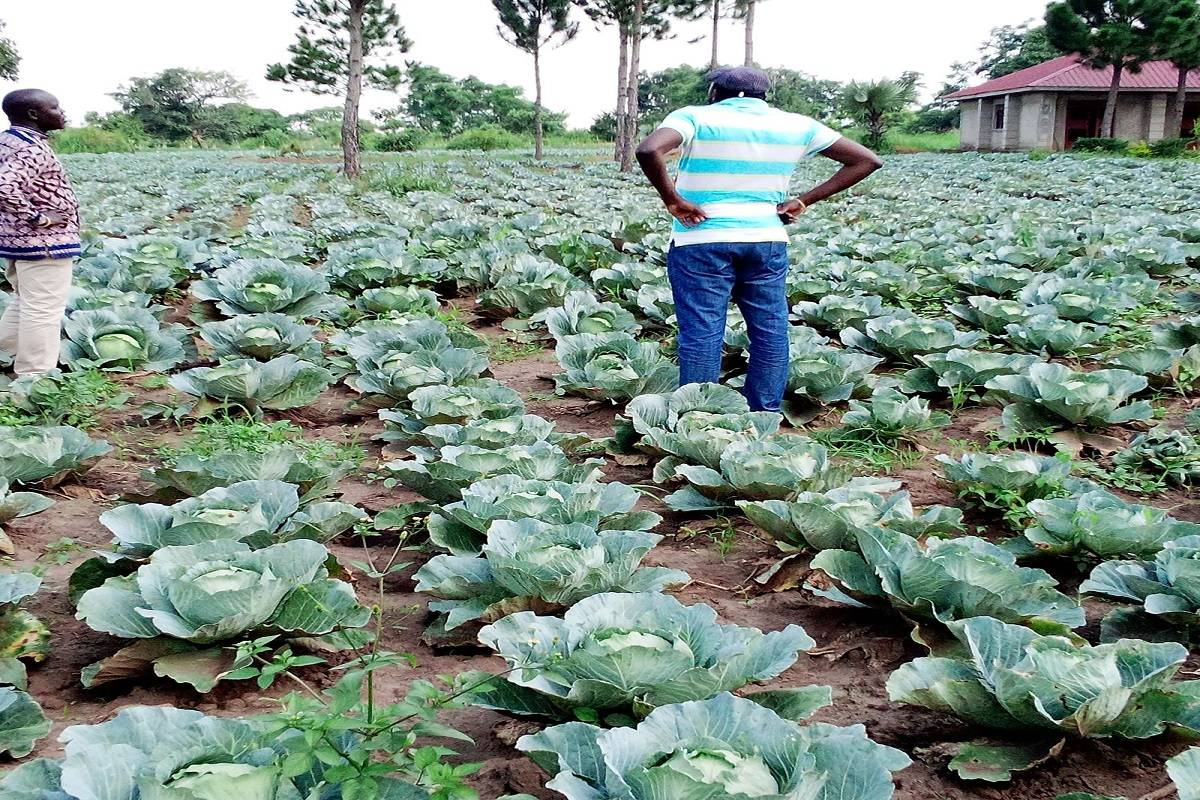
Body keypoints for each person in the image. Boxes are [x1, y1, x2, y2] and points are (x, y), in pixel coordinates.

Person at [636, 66, 882, 412]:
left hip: (701, 239)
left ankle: (700, 419)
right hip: (766, 238)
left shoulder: (694, 117)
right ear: (764, 95)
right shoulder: (797, 124)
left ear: (715, 93)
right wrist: (803, 200)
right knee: (770, 330)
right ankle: (763, 414)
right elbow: (866, 160)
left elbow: (649, 150)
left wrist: (673, 199)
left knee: (702, 333)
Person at [0, 89, 79, 377]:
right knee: (43, 310)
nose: (61, 113)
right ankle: (33, 378)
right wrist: (41, 218)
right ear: (34, 114)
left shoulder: (7, 141)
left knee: (25, 303)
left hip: (16, 242)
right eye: (55, 108)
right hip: (44, 244)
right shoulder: (30, 148)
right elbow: (4, 187)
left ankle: (5, 356)